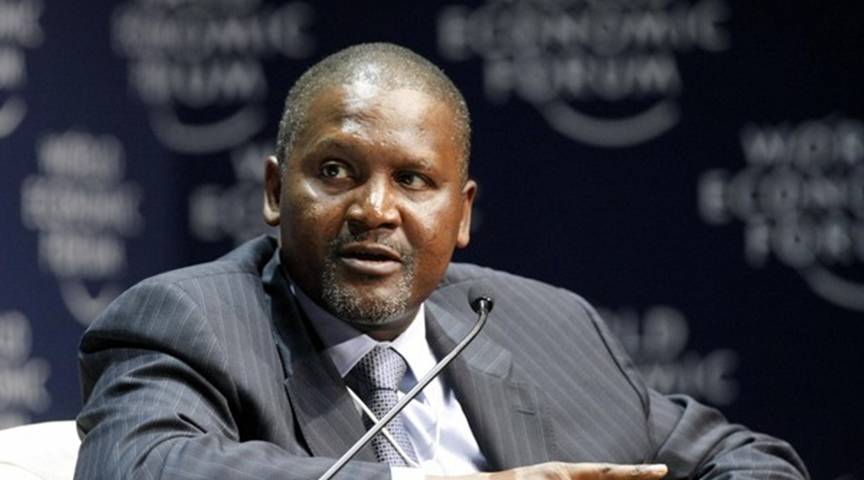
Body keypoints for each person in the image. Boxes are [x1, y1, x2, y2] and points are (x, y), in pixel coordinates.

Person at [74, 43, 809, 480]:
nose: (374, 209)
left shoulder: (548, 324)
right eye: (335, 171)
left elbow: (745, 459)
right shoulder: (187, 322)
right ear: (274, 191)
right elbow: (136, 468)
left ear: (461, 215)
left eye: (414, 180)